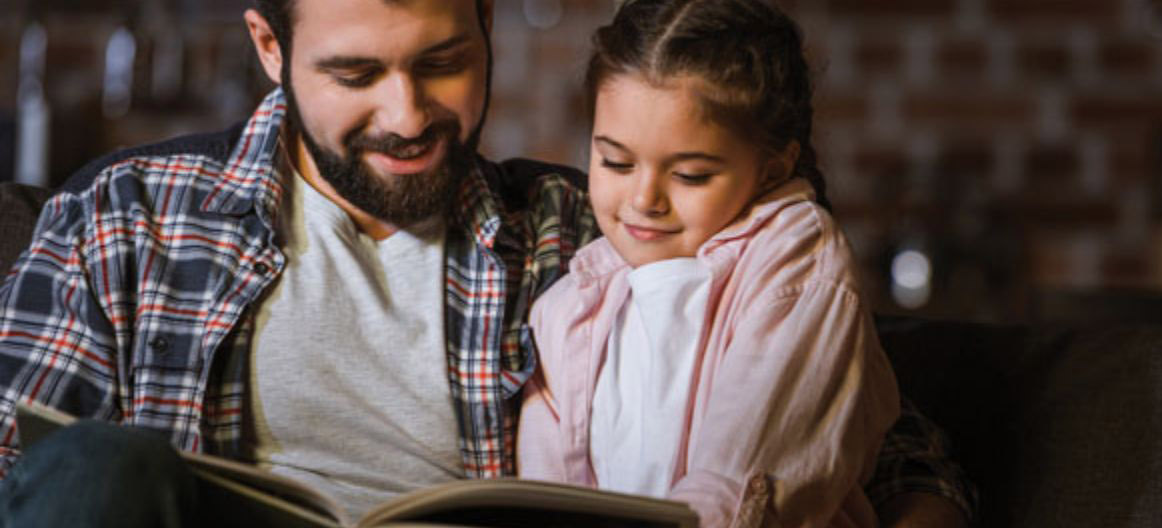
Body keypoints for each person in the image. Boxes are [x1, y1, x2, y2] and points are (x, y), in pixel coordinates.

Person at [0, 0, 971, 526]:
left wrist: (919, 507)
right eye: (354, 73)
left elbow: (835, 414)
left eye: (442, 61)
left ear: (488, 29)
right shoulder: (123, 219)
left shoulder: (579, 228)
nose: (408, 112)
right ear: (269, 46)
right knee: (97, 464)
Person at [517, 1, 907, 525]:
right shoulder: (568, 305)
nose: (643, 198)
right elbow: (548, 500)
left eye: (692, 175)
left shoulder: (798, 265)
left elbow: (743, 486)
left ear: (772, 168)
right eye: (616, 161)